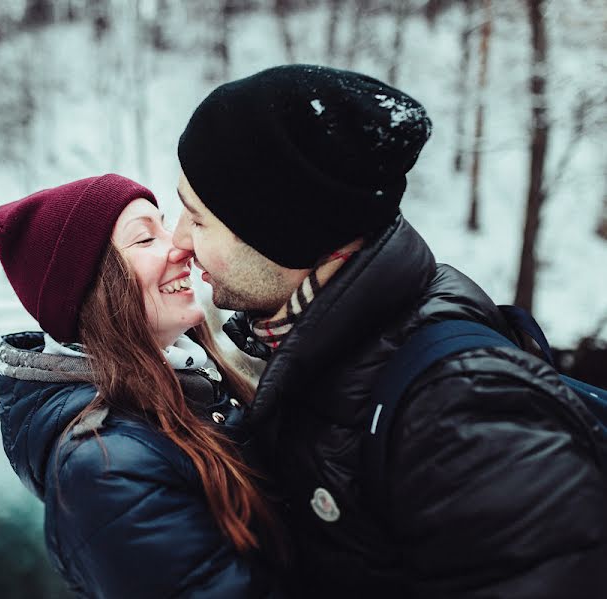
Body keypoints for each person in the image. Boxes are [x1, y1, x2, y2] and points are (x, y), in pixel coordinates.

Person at [172, 64, 607, 598]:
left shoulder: (462, 415)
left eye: (197, 219)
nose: (179, 241)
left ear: (282, 231)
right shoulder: (287, 344)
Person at [0, 174, 288, 598]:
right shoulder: (104, 467)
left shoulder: (193, 385)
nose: (183, 247)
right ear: (92, 288)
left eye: (164, 226)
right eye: (145, 239)